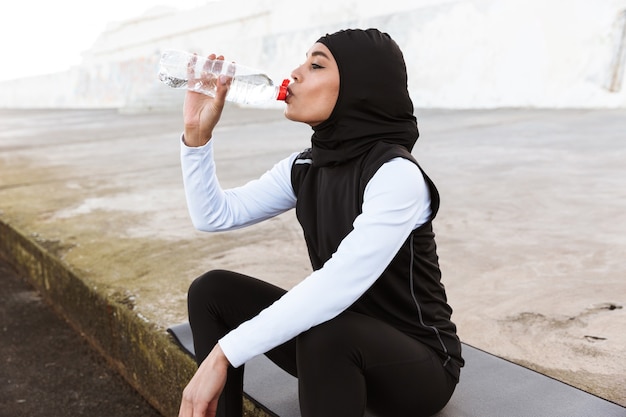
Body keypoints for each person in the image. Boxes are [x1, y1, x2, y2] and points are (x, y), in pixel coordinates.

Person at [177, 28, 464, 417]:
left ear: (358, 87)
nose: (294, 74)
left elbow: (336, 286)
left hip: (418, 370)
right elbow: (213, 216)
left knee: (327, 332)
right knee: (212, 292)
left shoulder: (396, 175)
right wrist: (197, 137)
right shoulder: (307, 165)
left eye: (315, 65)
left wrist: (223, 354)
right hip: (335, 346)